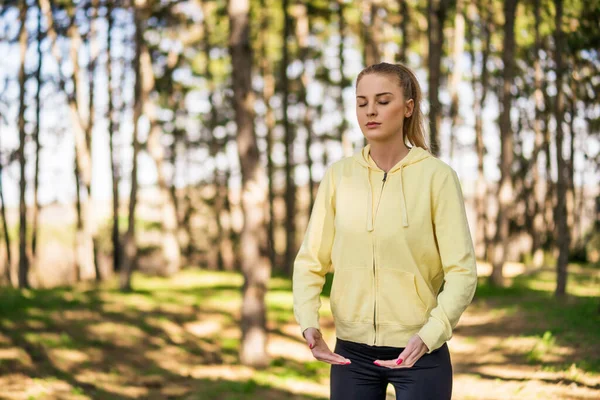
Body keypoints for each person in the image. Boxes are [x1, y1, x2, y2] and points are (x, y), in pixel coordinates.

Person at [292, 62, 478, 400]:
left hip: (421, 351)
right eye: (362, 102)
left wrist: (430, 334)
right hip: (351, 355)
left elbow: (462, 272)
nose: (370, 111)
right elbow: (310, 261)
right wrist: (309, 323)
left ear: (408, 108)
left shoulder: (437, 177)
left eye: (382, 100)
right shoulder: (339, 176)